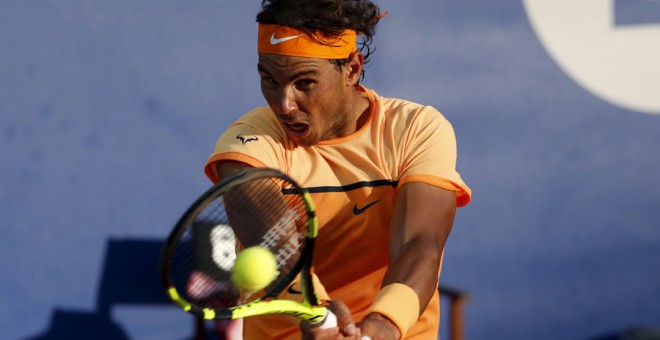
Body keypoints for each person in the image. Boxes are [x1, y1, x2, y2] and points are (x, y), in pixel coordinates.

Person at [203, 0, 471, 338]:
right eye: (269, 79)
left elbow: (419, 243)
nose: (284, 104)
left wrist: (382, 325)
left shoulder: (416, 129)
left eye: (304, 83)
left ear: (352, 69)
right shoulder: (248, 140)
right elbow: (272, 239)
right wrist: (318, 310)